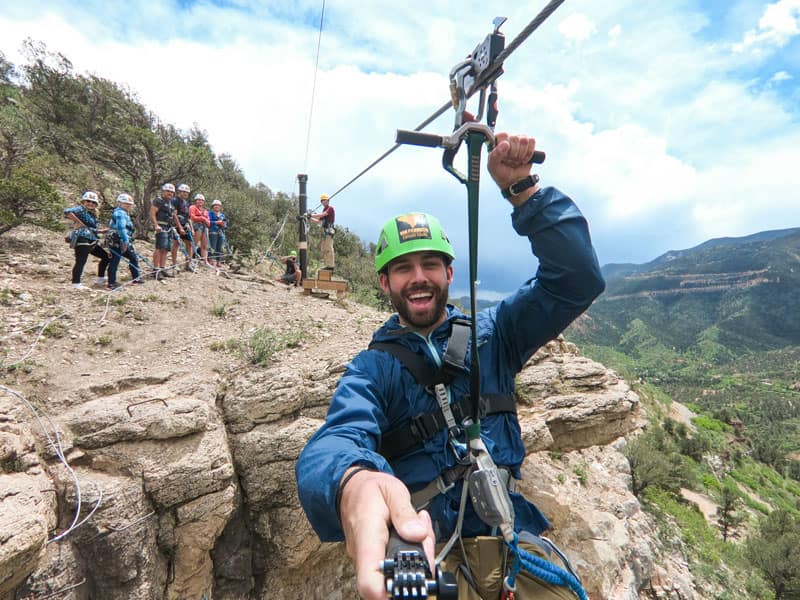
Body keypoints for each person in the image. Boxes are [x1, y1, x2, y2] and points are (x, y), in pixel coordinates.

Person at [296, 133, 605, 600]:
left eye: (430, 265)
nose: (418, 277)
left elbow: (576, 279)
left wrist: (522, 189)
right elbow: (336, 440)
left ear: (449, 274)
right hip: (434, 554)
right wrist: (352, 481)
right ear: (384, 282)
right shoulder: (372, 370)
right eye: (403, 268)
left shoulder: (495, 334)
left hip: (509, 543)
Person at [64, 191, 110, 290]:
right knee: (81, 260)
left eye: (93, 202)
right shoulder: (80, 209)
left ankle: (100, 278)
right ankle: (76, 283)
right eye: (88, 201)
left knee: (105, 257)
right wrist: (78, 221)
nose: (91, 203)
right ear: (84, 201)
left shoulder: (92, 214)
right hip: (82, 238)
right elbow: (67, 211)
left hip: (91, 239)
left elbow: (90, 228)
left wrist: (100, 231)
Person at [106, 193, 143, 289]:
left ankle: (136, 277)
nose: (128, 205)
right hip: (118, 240)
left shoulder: (122, 213)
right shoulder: (120, 213)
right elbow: (121, 227)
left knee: (132, 257)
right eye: (125, 203)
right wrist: (126, 240)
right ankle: (111, 283)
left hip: (121, 239)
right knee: (115, 260)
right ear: (119, 203)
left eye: (129, 204)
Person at [149, 183, 183, 280]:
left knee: (166, 248)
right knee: (159, 247)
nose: (170, 193)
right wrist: (155, 225)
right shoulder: (158, 200)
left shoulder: (171, 203)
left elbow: (174, 215)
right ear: (163, 191)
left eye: (172, 192)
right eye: (168, 191)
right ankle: (156, 270)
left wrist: (179, 227)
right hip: (161, 225)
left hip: (169, 226)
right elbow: (152, 213)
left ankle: (162, 268)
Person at [171, 183, 195, 272]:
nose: (185, 194)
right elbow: (174, 214)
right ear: (179, 192)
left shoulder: (186, 203)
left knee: (189, 243)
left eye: (187, 192)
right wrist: (179, 227)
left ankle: (188, 264)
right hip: (176, 225)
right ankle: (174, 264)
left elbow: (188, 217)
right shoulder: (175, 201)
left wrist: (192, 228)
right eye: (183, 192)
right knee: (176, 244)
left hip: (185, 225)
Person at [310, 193, 335, 271]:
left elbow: (322, 215)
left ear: (328, 201)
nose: (323, 202)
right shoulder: (324, 209)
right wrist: (309, 218)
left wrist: (311, 215)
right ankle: (328, 265)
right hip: (325, 232)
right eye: (322, 201)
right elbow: (318, 221)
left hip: (329, 231)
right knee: (324, 248)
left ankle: (331, 266)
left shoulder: (330, 208)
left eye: (325, 200)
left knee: (329, 248)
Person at [189, 193, 212, 267]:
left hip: (205, 227)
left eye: (202, 200)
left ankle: (205, 261)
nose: (200, 201)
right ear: (196, 200)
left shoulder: (205, 211)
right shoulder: (192, 207)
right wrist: (202, 218)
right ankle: (190, 260)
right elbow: (192, 217)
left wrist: (205, 220)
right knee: (194, 244)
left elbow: (208, 222)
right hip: (197, 226)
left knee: (204, 245)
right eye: (198, 200)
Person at [208, 199, 227, 268]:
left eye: (218, 205)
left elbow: (225, 224)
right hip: (212, 231)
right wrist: (216, 222)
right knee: (212, 246)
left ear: (220, 207)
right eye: (215, 205)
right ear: (212, 206)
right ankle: (210, 260)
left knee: (219, 247)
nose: (217, 207)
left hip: (221, 232)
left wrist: (223, 225)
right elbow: (208, 222)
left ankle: (218, 261)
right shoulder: (209, 213)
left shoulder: (222, 215)